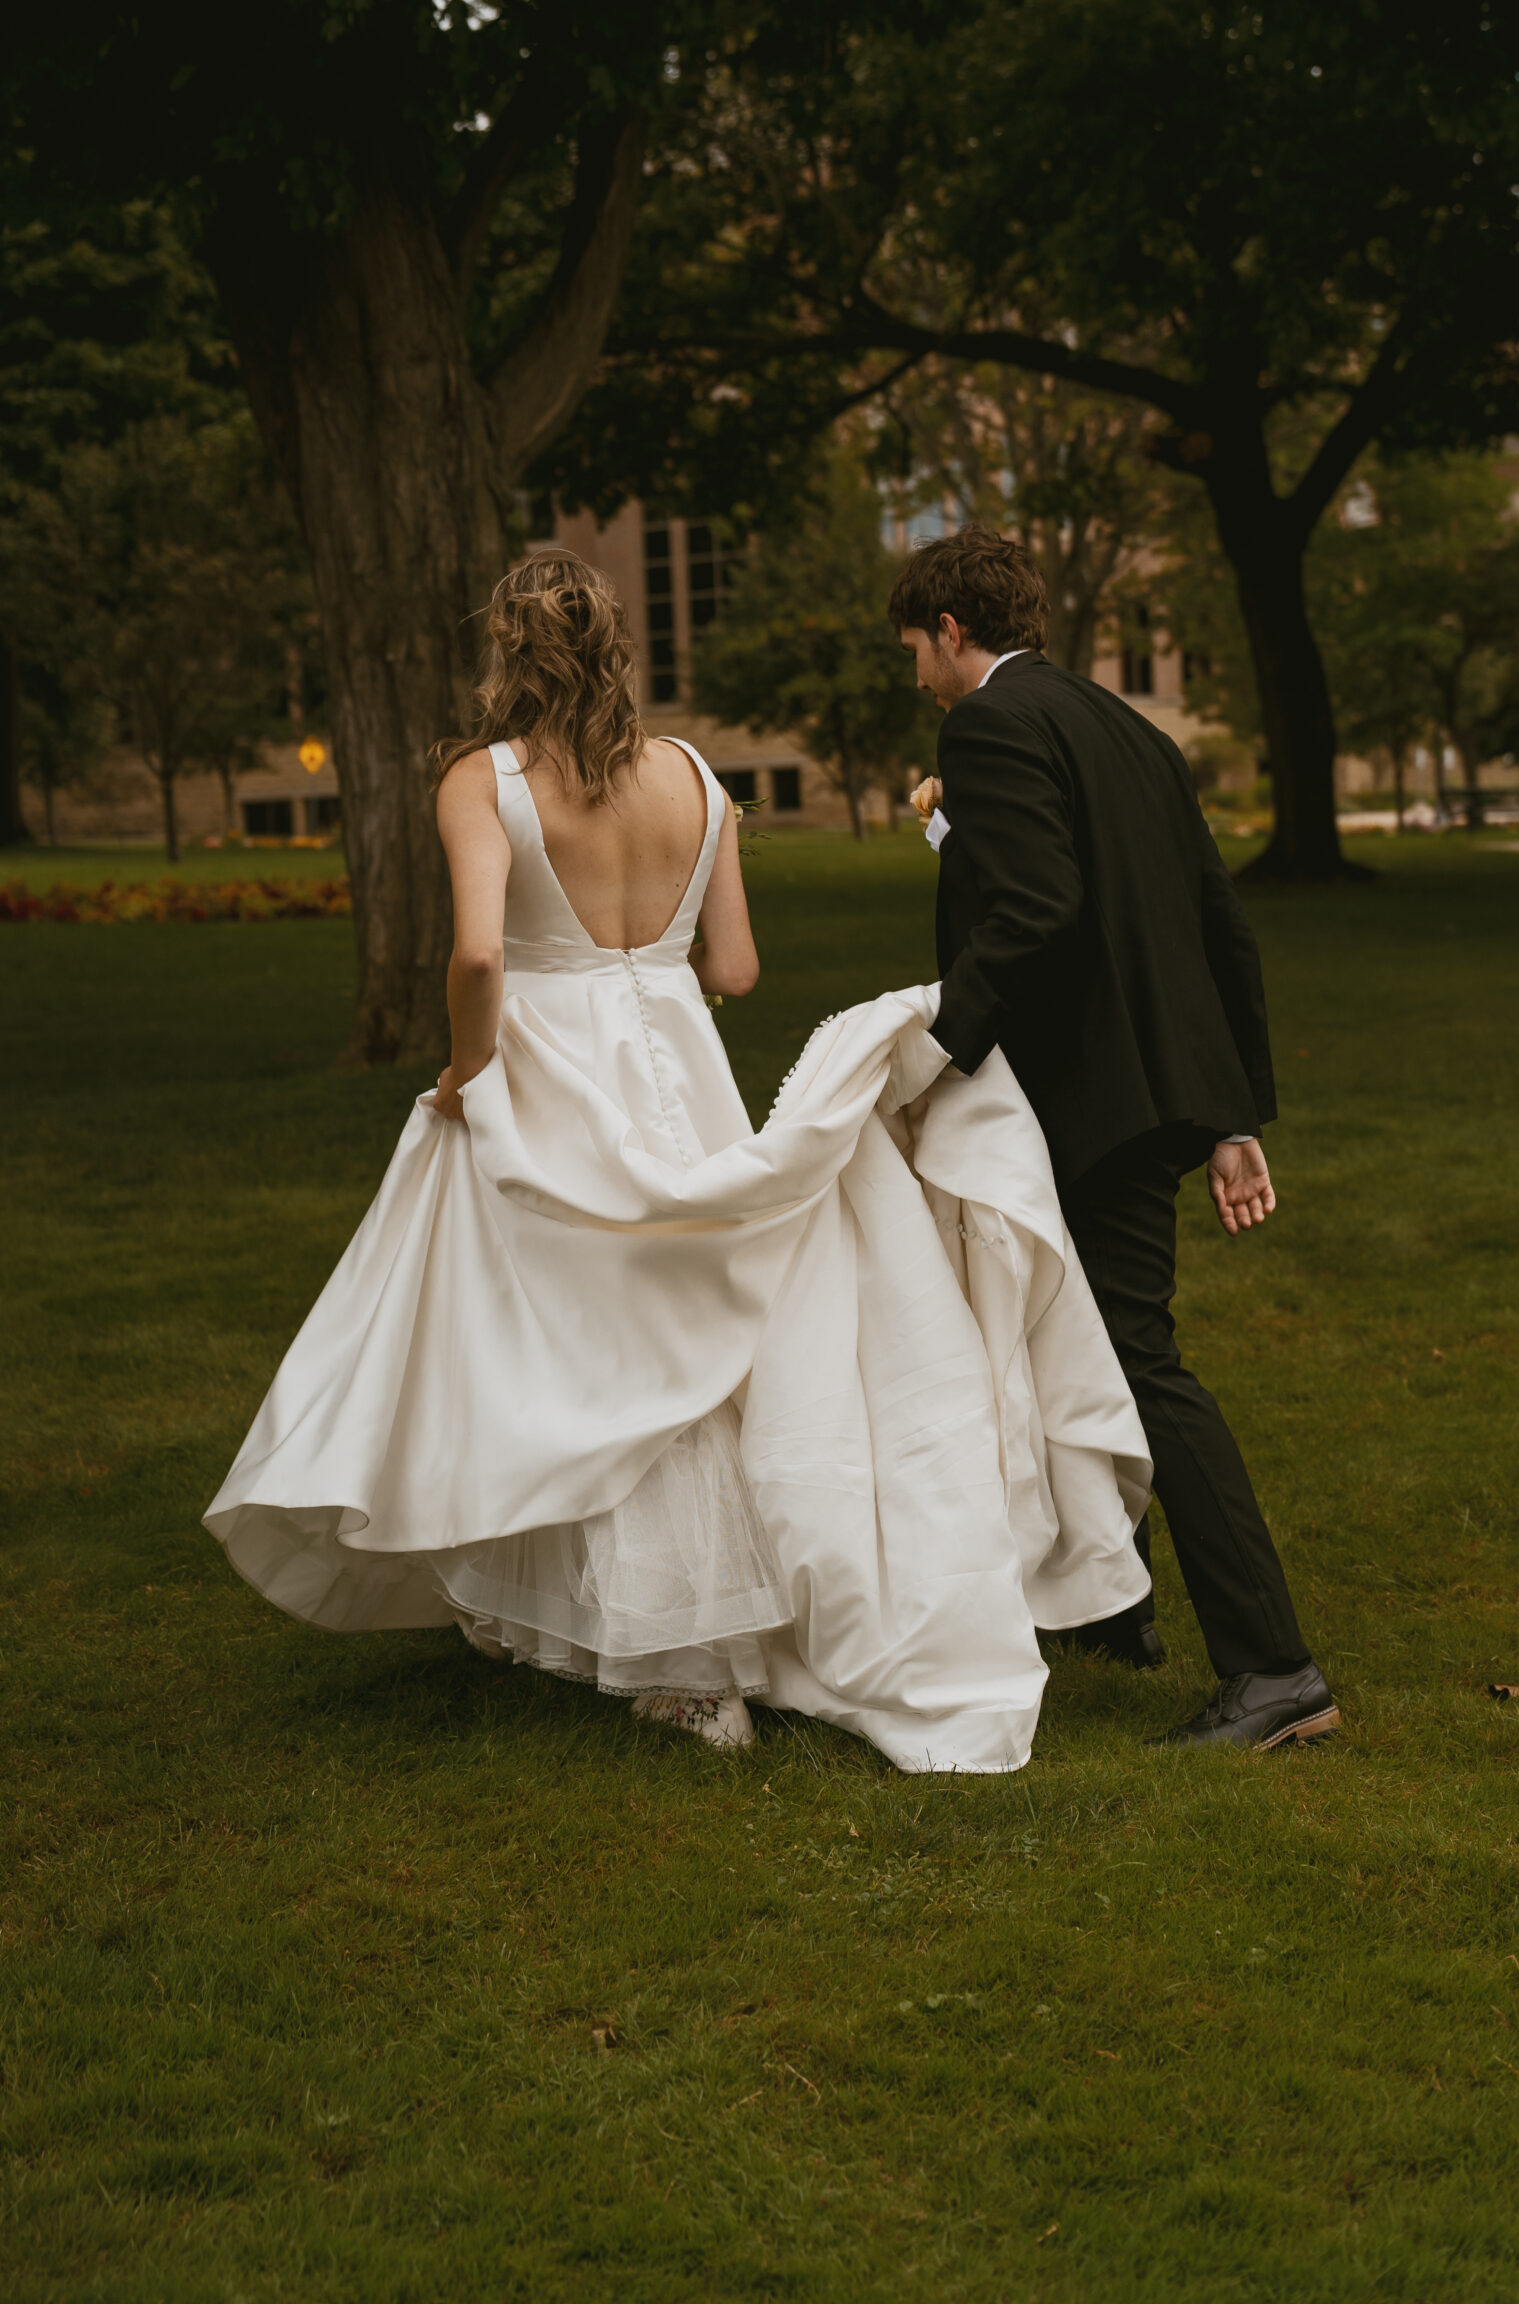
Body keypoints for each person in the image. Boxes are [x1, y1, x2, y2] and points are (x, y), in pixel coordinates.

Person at [205, 550, 1155, 1773]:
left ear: (507, 650)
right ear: (615, 647)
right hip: (677, 1062)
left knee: (566, 1342)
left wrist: (465, 1072)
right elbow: (740, 970)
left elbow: (482, 958)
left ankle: (676, 1652)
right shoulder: (697, 778)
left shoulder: (481, 778)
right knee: (699, 1340)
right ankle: (681, 1616)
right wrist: (647, 973)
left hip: (546, 1069)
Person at [893, 525, 1339, 1751]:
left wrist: (937, 1052)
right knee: (1067, 1341)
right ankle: (1115, 1608)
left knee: (1139, 1362)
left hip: (1086, 1097)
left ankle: (1276, 1666)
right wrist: (1233, 1111)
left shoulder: (985, 725)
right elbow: (1217, 924)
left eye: (914, 652)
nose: (917, 679)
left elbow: (1039, 909)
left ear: (949, 630)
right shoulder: (1132, 729)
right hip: (1157, 1091)